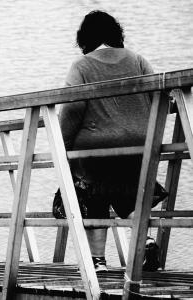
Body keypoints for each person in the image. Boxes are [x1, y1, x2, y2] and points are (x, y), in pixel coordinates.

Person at [58, 11, 165, 272]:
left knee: (94, 197)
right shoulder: (139, 61)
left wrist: (63, 147)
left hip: (95, 148)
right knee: (128, 195)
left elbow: (72, 109)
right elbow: (158, 99)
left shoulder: (82, 66)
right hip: (139, 144)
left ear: (85, 38)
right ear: (116, 33)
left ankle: (98, 263)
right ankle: (145, 242)